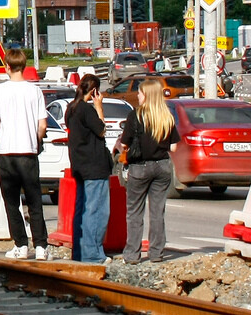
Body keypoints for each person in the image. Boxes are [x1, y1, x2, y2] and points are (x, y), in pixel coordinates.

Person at [0, 47, 49, 260]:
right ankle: (41, 247)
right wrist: (35, 140)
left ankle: (21, 245)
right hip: (28, 152)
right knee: (34, 199)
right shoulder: (35, 91)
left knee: (12, 201)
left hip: (6, 153)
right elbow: (42, 125)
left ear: (7, 66)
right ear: (24, 65)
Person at [117, 78, 179, 264]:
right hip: (162, 166)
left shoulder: (135, 115)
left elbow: (125, 143)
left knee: (135, 211)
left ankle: (132, 255)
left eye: (140, 92)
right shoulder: (166, 116)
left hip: (139, 167)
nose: (138, 95)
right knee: (157, 212)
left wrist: (120, 146)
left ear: (147, 95)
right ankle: (156, 253)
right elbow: (174, 148)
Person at [65, 73, 113, 264]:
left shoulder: (71, 109)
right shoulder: (86, 110)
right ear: (94, 91)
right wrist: (99, 107)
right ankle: (93, 253)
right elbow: (101, 130)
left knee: (82, 209)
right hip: (95, 166)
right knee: (97, 210)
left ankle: (80, 251)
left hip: (79, 165)